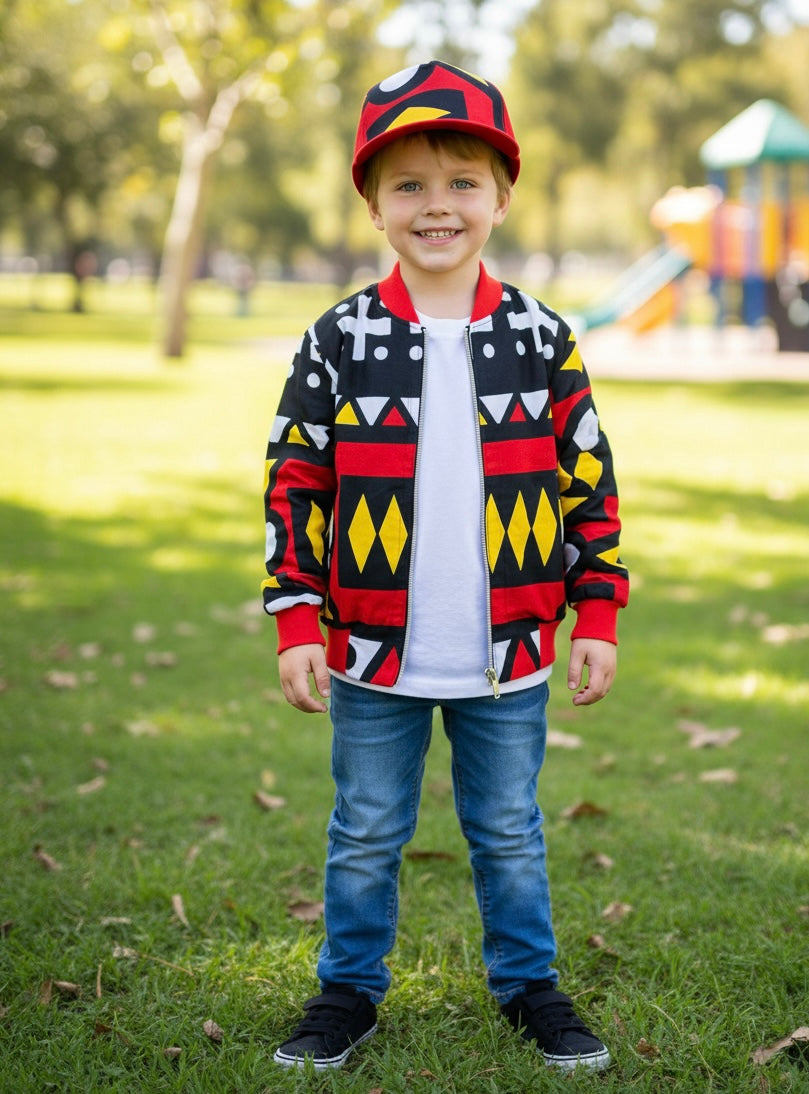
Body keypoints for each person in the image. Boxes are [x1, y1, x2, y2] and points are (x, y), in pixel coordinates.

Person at [262, 59, 629, 1073]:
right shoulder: (339, 338)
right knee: (366, 829)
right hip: (371, 654)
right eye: (408, 185)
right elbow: (292, 478)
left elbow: (586, 481)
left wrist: (593, 609)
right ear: (374, 205)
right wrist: (298, 618)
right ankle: (346, 988)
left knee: (507, 830)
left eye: (461, 180)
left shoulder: (540, 337)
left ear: (501, 195)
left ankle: (527, 983)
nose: (436, 205)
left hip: (507, 652)